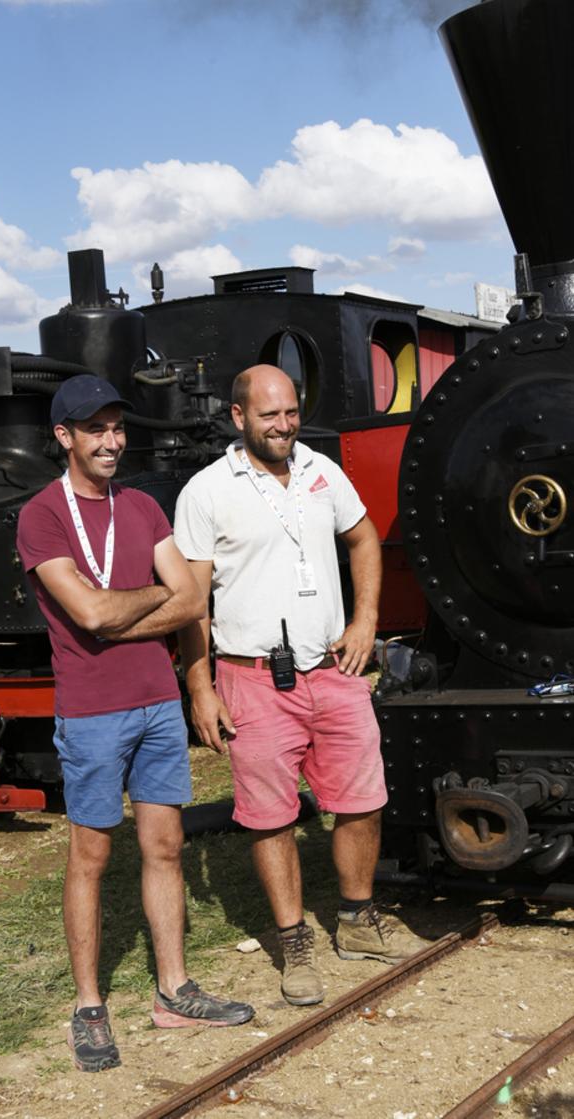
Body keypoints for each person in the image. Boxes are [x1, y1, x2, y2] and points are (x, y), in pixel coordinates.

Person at [16, 374, 254, 1073]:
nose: (111, 440)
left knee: (166, 846)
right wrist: (152, 603)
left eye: (117, 427)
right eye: (95, 428)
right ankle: (89, 1005)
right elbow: (88, 613)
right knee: (90, 857)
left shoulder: (144, 506)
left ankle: (173, 990)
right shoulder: (42, 516)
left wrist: (123, 612)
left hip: (156, 704)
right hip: (91, 712)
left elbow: (191, 600)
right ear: (65, 436)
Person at [174, 364, 428, 1008]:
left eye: (290, 412)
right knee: (270, 817)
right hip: (252, 676)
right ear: (238, 418)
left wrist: (366, 618)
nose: (284, 425)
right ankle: (292, 942)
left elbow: (364, 537)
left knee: (363, 797)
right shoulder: (205, 492)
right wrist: (200, 688)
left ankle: (357, 919)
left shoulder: (321, 471)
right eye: (269, 416)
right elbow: (192, 603)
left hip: (333, 669)